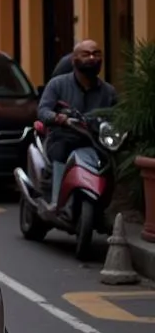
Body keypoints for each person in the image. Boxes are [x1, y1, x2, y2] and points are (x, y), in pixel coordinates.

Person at [38, 39, 118, 211]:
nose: (92, 58)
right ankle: (56, 200)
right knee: (61, 149)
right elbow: (43, 110)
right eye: (86, 54)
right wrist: (59, 118)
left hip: (94, 140)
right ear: (74, 59)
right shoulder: (57, 84)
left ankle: (108, 206)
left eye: (96, 54)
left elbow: (118, 115)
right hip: (63, 136)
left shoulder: (108, 91)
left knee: (111, 159)